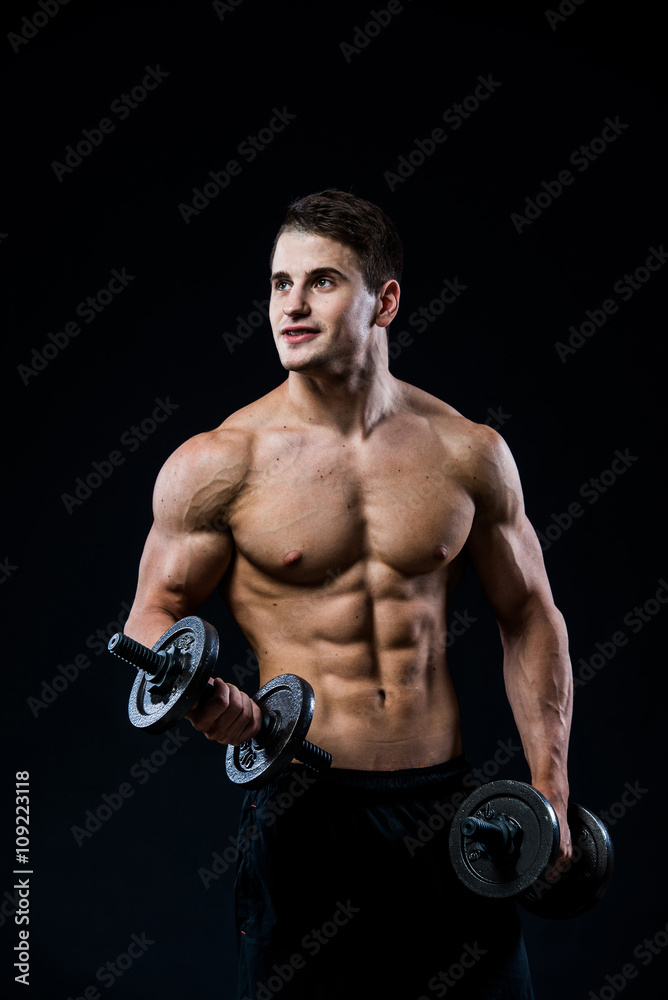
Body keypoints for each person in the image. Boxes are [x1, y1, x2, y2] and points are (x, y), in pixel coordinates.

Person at [124, 190, 573, 999]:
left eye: (322, 282)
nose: (291, 305)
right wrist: (199, 699)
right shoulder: (220, 462)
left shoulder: (467, 452)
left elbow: (530, 617)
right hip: (302, 813)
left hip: (447, 810)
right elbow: (152, 617)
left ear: (385, 301)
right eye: (278, 284)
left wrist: (550, 782)